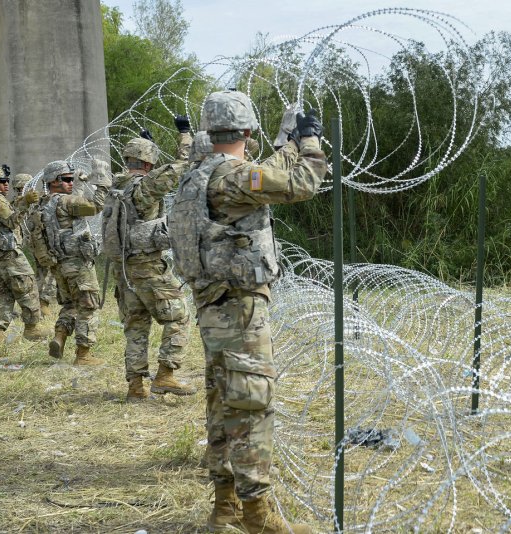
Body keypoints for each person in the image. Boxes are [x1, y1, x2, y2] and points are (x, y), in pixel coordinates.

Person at [168, 91, 326, 534]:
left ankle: (225, 508)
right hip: (239, 307)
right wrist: (310, 142)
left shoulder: (198, 174)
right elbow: (301, 184)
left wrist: (286, 142)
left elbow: (267, 174)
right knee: (252, 403)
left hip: (211, 306)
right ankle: (258, 513)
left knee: (223, 401)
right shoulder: (234, 178)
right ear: (247, 132)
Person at [100, 117, 194, 402]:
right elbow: (182, 164)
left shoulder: (114, 188)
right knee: (179, 316)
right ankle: (165, 375)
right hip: (149, 267)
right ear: (150, 164)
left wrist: (148, 143)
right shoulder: (146, 186)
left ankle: (136, 386)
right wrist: (185, 134)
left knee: (136, 327)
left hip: (123, 271)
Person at [29, 160, 110, 365]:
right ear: (53, 182)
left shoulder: (41, 205)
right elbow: (94, 206)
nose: (70, 183)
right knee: (88, 306)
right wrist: (101, 181)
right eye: (66, 180)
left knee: (70, 305)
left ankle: (60, 336)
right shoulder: (65, 202)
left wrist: (81, 185)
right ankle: (83, 355)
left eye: (71, 179)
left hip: (58, 266)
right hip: (78, 265)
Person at [0, 165, 50, 343]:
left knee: (2, 293)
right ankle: (33, 327)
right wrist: (26, 202)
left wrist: (22, 201)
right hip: (7, 255)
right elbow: (11, 220)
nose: (6, 184)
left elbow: (7, 212)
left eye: (7, 181)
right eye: (2, 182)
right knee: (27, 285)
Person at [11, 172, 58, 317]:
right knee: (42, 273)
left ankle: (40, 303)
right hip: (25, 244)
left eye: (25, 187)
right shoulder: (16, 205)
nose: (23, 191)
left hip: (37, 242)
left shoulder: (36, 202)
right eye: (20, 189)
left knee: (45, 271)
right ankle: (39, 303)